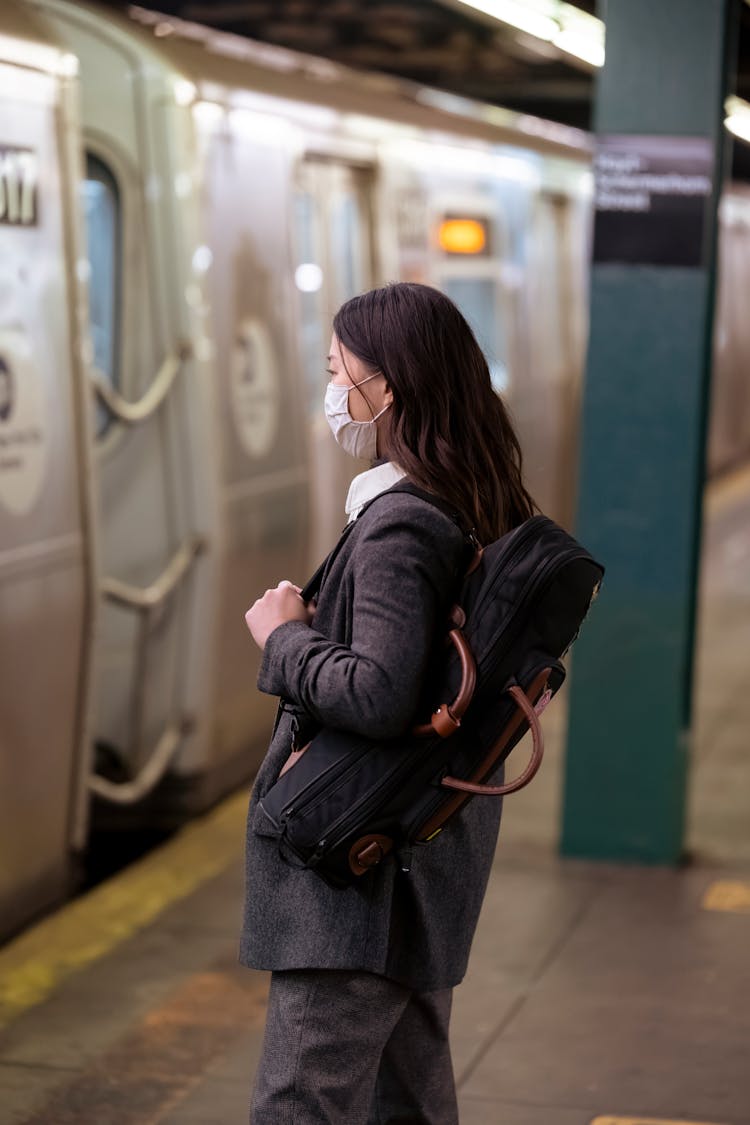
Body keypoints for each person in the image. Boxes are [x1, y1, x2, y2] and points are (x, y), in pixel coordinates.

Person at [242, 281, 535, 1124]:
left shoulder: (402, 522)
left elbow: (376, 692)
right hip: (418, 847)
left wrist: (283, 636)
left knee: (303, 1102)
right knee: (405, 1102)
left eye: (337, 370)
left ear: (387, 387)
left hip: (360, 871)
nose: (331, 390)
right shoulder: (474, 497)